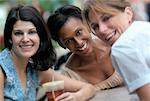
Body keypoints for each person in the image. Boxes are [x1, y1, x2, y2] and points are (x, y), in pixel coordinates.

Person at [0, 5, 96, 101]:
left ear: (40, 37)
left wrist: (75, 97)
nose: (25, 39)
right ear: (10, 38)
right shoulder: (2, 69)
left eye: (31, 32)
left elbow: (88, 88)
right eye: (18, 33)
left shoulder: (34, 70)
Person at [83, 0, 150, 100]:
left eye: (106, 18)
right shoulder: (144, 27)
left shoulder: (122, 47)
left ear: (128, 13)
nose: (102, 29)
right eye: (95, 26)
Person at [47, 5, 123, 91]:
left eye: (78, 32)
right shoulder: (70, 75)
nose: (79, 42)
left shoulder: (114, 44)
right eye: (68, 41)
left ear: (87, 25)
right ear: (62, 45)